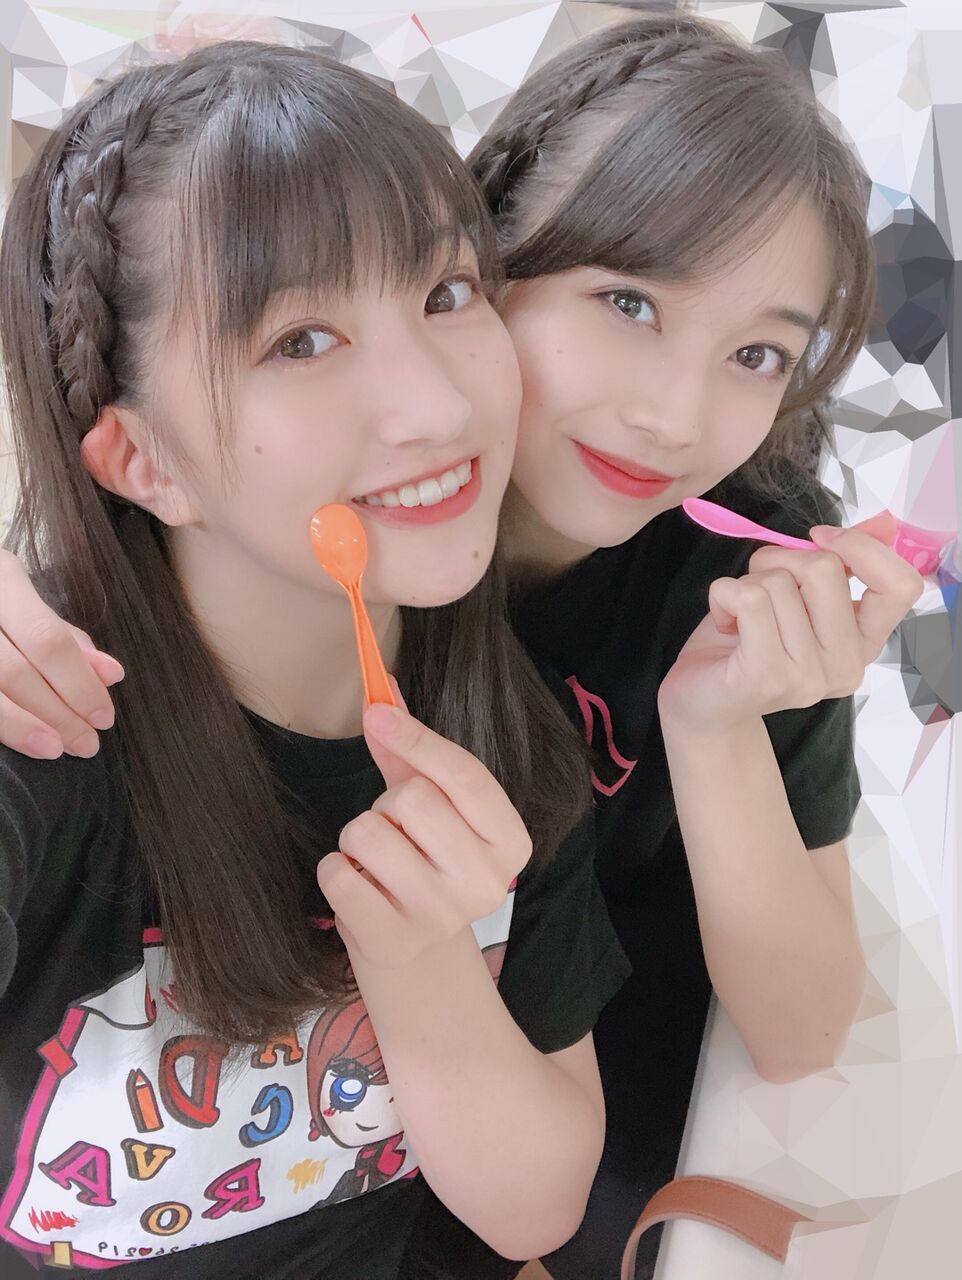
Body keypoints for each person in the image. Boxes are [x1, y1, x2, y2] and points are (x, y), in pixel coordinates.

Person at [0, 13, 923, 1280]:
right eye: (625, 303)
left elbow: (780, 1042)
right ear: (508, 253)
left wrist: (707, 725)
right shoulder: (68, 713)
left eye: (757, 352)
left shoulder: (635, 648)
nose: (672, 415)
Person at [0, 41, 630, 1280]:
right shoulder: (44, 737)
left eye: (447, 292)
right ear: (143, 461)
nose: (437, 407)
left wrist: (422, 962)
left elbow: (535, 1207)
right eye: (300, 339)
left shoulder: (504, 726)